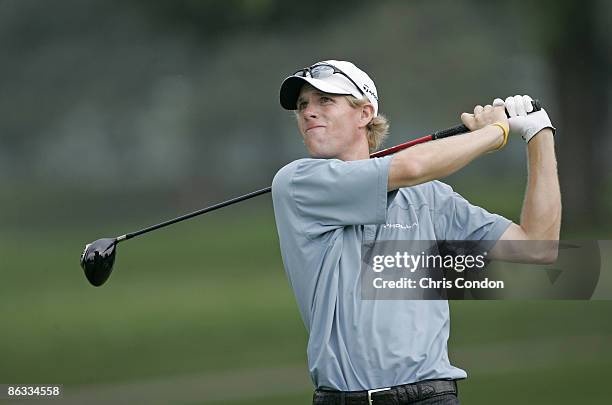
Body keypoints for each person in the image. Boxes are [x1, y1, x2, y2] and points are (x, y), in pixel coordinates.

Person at [271, 60, 561, 405]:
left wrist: (538, 133)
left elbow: (537, 246)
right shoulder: (297, 182)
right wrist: (494, 132)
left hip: (429, 396)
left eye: (325, 101)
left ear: (364, 113)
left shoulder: (430, 198)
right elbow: (411, 167)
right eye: (303, 105)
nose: (308, 113)